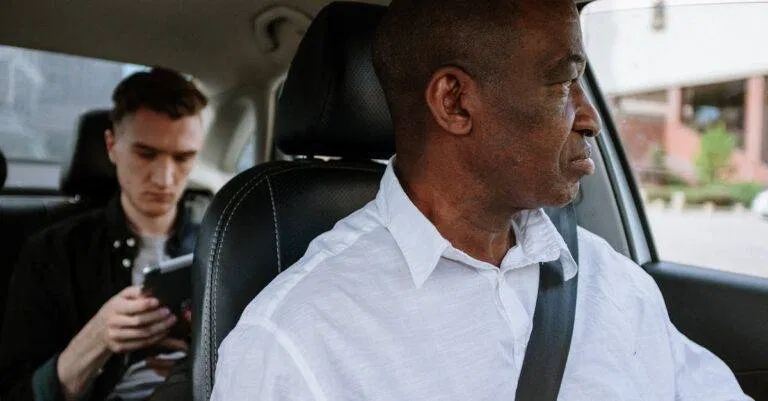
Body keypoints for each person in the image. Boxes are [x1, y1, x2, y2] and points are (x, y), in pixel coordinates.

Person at [210, 0, 751, 400]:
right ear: (455, 102)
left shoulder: (615, 284)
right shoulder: (294, 339)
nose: (589, 120)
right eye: (564, 84)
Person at [0, 67, 206, 401]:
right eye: (146, 153)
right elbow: (17, 393)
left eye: (183, 158)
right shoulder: (53, 252)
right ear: (112, 146)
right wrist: (97, 338)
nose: (165, 179)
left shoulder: (217, 243)